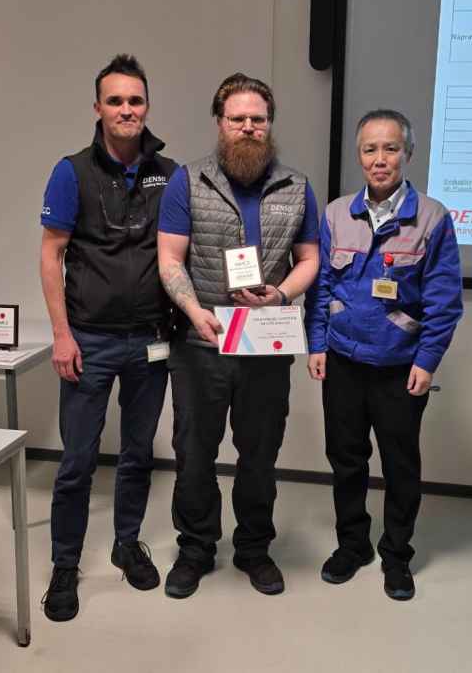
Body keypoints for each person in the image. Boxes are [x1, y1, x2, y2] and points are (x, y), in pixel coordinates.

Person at [157, 72, 320, 598]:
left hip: (265, 344)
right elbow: (170, 259)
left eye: (258, 119)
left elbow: (310, 259)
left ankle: (253, 548)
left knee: (259, 456)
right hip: (201, 344)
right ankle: (195, 549)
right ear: (219, 123)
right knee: (194, 454)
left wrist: (281, 295)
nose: (248, 127)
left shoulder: (297, 187)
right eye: (237, 119)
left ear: (269, 124)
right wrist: (193, 310)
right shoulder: (188, 181)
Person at [39, 54, 177, 621]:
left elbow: (179, 252)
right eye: (115, 100)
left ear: (147, 107)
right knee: (77, 460)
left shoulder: (169, 173)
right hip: (88, 342)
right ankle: (65, 565)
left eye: (135, 100)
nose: (126, 109)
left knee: (138, 454)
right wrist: (61, 335)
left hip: (151, 340)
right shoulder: (71, 171)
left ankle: (126, 543)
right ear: (97, 107)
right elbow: (51, 254)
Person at [304, 109, 462, 600]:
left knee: (400, 466)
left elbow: (444, 302)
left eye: (390, 148)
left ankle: (397, 555)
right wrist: (317, 344)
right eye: (370, 149)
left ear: (407, 154)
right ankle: (352, 546)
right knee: (346, 461)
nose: (379, 159)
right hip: (343, 362)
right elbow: (321, 287)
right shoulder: (336, 214)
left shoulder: (432, 218)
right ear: (359, 156)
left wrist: (426, 361)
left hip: (400, 367)